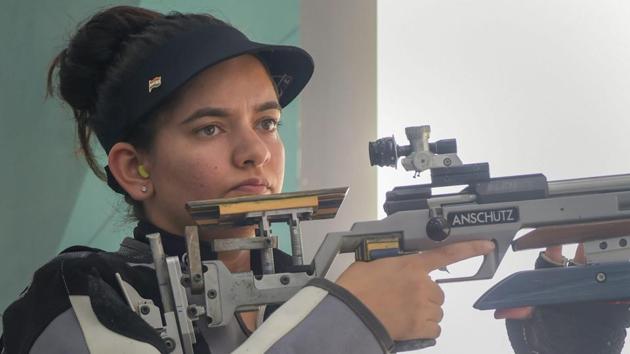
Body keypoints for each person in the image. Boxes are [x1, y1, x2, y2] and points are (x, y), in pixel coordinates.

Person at [0, 5, 626, 354]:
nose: (255, 153)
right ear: (136, 169)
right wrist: (352, 320)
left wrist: (567, 346)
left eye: (267, 122)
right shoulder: (77, 298)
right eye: (210, 129)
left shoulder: (317, 289)